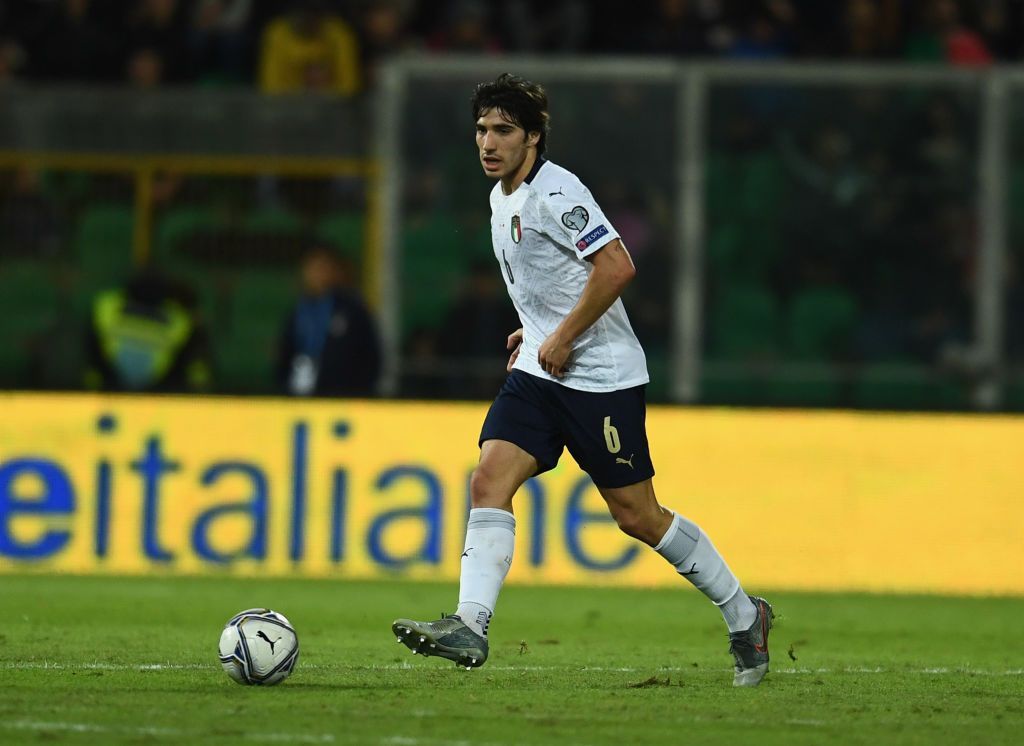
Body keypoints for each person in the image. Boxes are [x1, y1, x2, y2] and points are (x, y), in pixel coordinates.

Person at [391, 73, 774, 687]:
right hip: (540, 374)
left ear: (533, 137)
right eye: (482, 130)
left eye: (503, 130)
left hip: (600, 379)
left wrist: (565, 335)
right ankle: (469, 624)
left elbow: (616, 266)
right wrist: (535, 328)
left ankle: (744, 614)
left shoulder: (558, 190)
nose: (488, 143)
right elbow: (552, 277)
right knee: (488, 479)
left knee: (637, 516)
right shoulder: (500, 197)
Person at [275, 245, 381, 397]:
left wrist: (360, 391)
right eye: (312, 268)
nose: (317, 274)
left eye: (322, 268)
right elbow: (285, 353)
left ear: (333, 271)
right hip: (301, 391)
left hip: (343, 395)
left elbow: (371, 355)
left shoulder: (351, 310)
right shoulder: (298, 311)